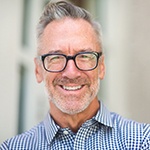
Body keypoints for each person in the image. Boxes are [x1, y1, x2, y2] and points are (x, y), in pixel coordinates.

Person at [0, 0, 150, 149]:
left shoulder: (143, 141)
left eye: (84, 56)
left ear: (101, 66)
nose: (71, 73)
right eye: (56, 57)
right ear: (38, 70)